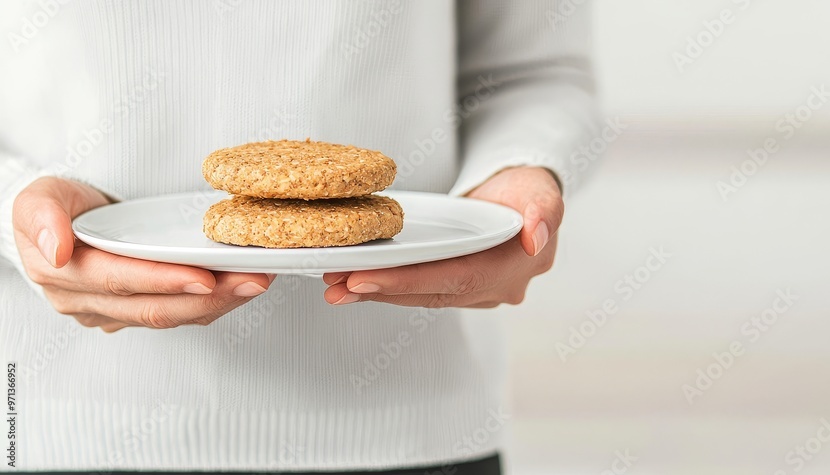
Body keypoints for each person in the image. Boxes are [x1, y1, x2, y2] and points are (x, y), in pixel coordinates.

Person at [0, 1, 599, 473]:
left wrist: (517, 174)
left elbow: (534, 73)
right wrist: (14, 209)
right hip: (63, 422)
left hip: (410, 423)